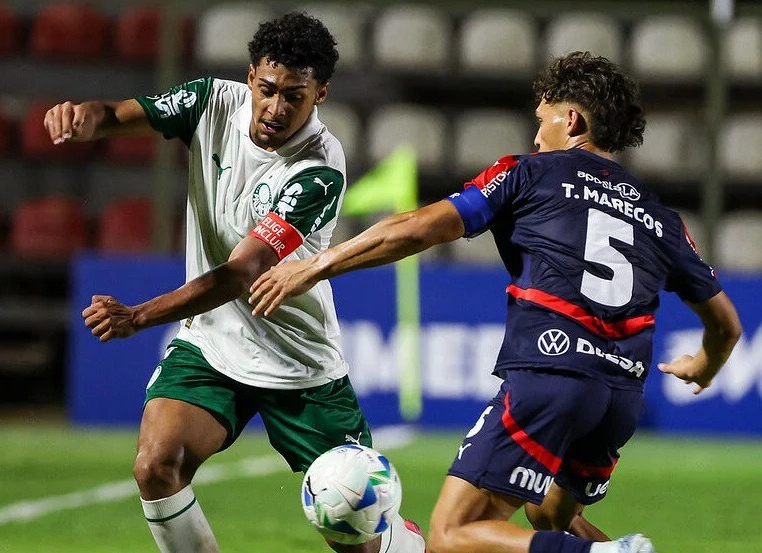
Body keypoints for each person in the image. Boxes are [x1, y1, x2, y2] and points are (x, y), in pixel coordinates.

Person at [248, 51, 743, 553]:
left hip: (549, 376)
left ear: (571, 119)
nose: (536, 135)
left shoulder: (529, 173)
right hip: (620, 400)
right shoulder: (662, 219)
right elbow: (726, 325)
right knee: (548, 514)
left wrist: (315, 264)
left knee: (450, 533)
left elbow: (418, 230)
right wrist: (704, 366)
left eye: (542, 119)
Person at [44, 12, 426, 553]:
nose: (276, 107)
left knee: (355, 537)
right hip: (213, 343)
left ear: (321, 93)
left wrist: (139, 317)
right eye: (267, 89)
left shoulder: (318, 167)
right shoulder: (209, 102)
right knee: (157, 466)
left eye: (295, 95)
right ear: (250, 77)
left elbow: (241, 273)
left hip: (298, 363)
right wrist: (85, 117)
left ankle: (410, 546)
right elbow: (115, 115)